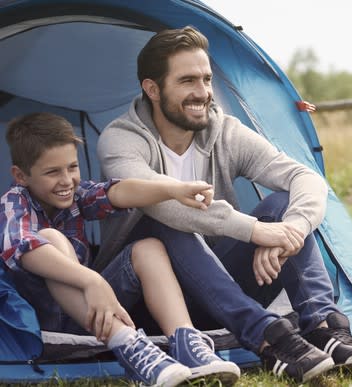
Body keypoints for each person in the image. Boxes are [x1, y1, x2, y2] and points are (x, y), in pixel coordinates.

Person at [95, 26, 352, 383]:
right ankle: (267, 338)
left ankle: (324, 328)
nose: (202, 93)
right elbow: (164, 205)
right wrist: (255, 231)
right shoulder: (121, 139)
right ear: (152, 89)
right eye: (187, 81)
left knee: (282, 203)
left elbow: (305, 178)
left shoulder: (224, 132)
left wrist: (289, 232)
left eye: (206, 79)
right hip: (153, 302)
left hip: (220, 290)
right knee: (164, 218)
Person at [0, 113, 241, 386]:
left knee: (148, 248)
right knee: (50, 239)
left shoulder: (75, 196)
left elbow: (117, 192)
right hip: (48, 322)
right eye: (53, 172)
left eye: (72, 167)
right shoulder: (14, 202)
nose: (67, 180)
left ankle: (186, 341)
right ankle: (130, 347)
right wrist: (92, 280)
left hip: (93, 311)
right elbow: (24, 248)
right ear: (21, 175)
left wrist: (173, 189)